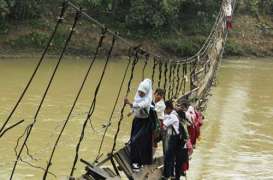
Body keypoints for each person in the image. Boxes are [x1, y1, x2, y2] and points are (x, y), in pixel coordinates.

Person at [124, 78, 153, 172]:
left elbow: (141, 105)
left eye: (142, 93)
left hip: (144, 123)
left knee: (138, 141)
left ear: (147, 92)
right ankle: (134, 160)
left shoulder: (148, 99)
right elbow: (136, 104)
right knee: (133, 139)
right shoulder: (138, 96)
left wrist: (129, 103)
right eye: (139, 91)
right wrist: (131, 111)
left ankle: (138, 162)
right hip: (137, 121)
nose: (140, 94)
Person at [162, 100, 180, 179]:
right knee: (171, 157)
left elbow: (164, 124)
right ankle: (172, 174)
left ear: (168, 108)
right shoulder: (173, 114)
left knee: (168, 157)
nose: (164, 111)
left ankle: (167, 175)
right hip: (174, 138)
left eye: (165, 109)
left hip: (174, 138)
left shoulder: (173, 116)